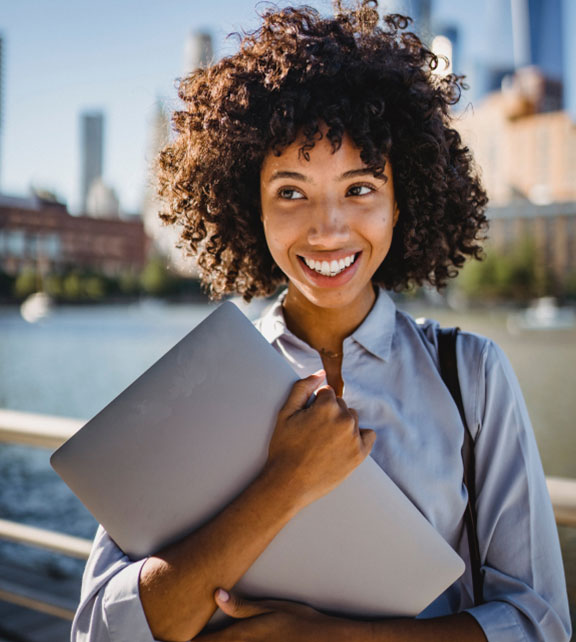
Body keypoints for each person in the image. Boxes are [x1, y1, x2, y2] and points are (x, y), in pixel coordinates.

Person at [72, 2, 571, 641]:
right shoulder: (196, 382)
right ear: (249, 206)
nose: (328, 227)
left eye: (360, 188)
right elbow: (99, 631)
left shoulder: (471, 375)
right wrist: (285, 483)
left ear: (402, 200)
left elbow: (540, 624)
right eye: (290, 191)